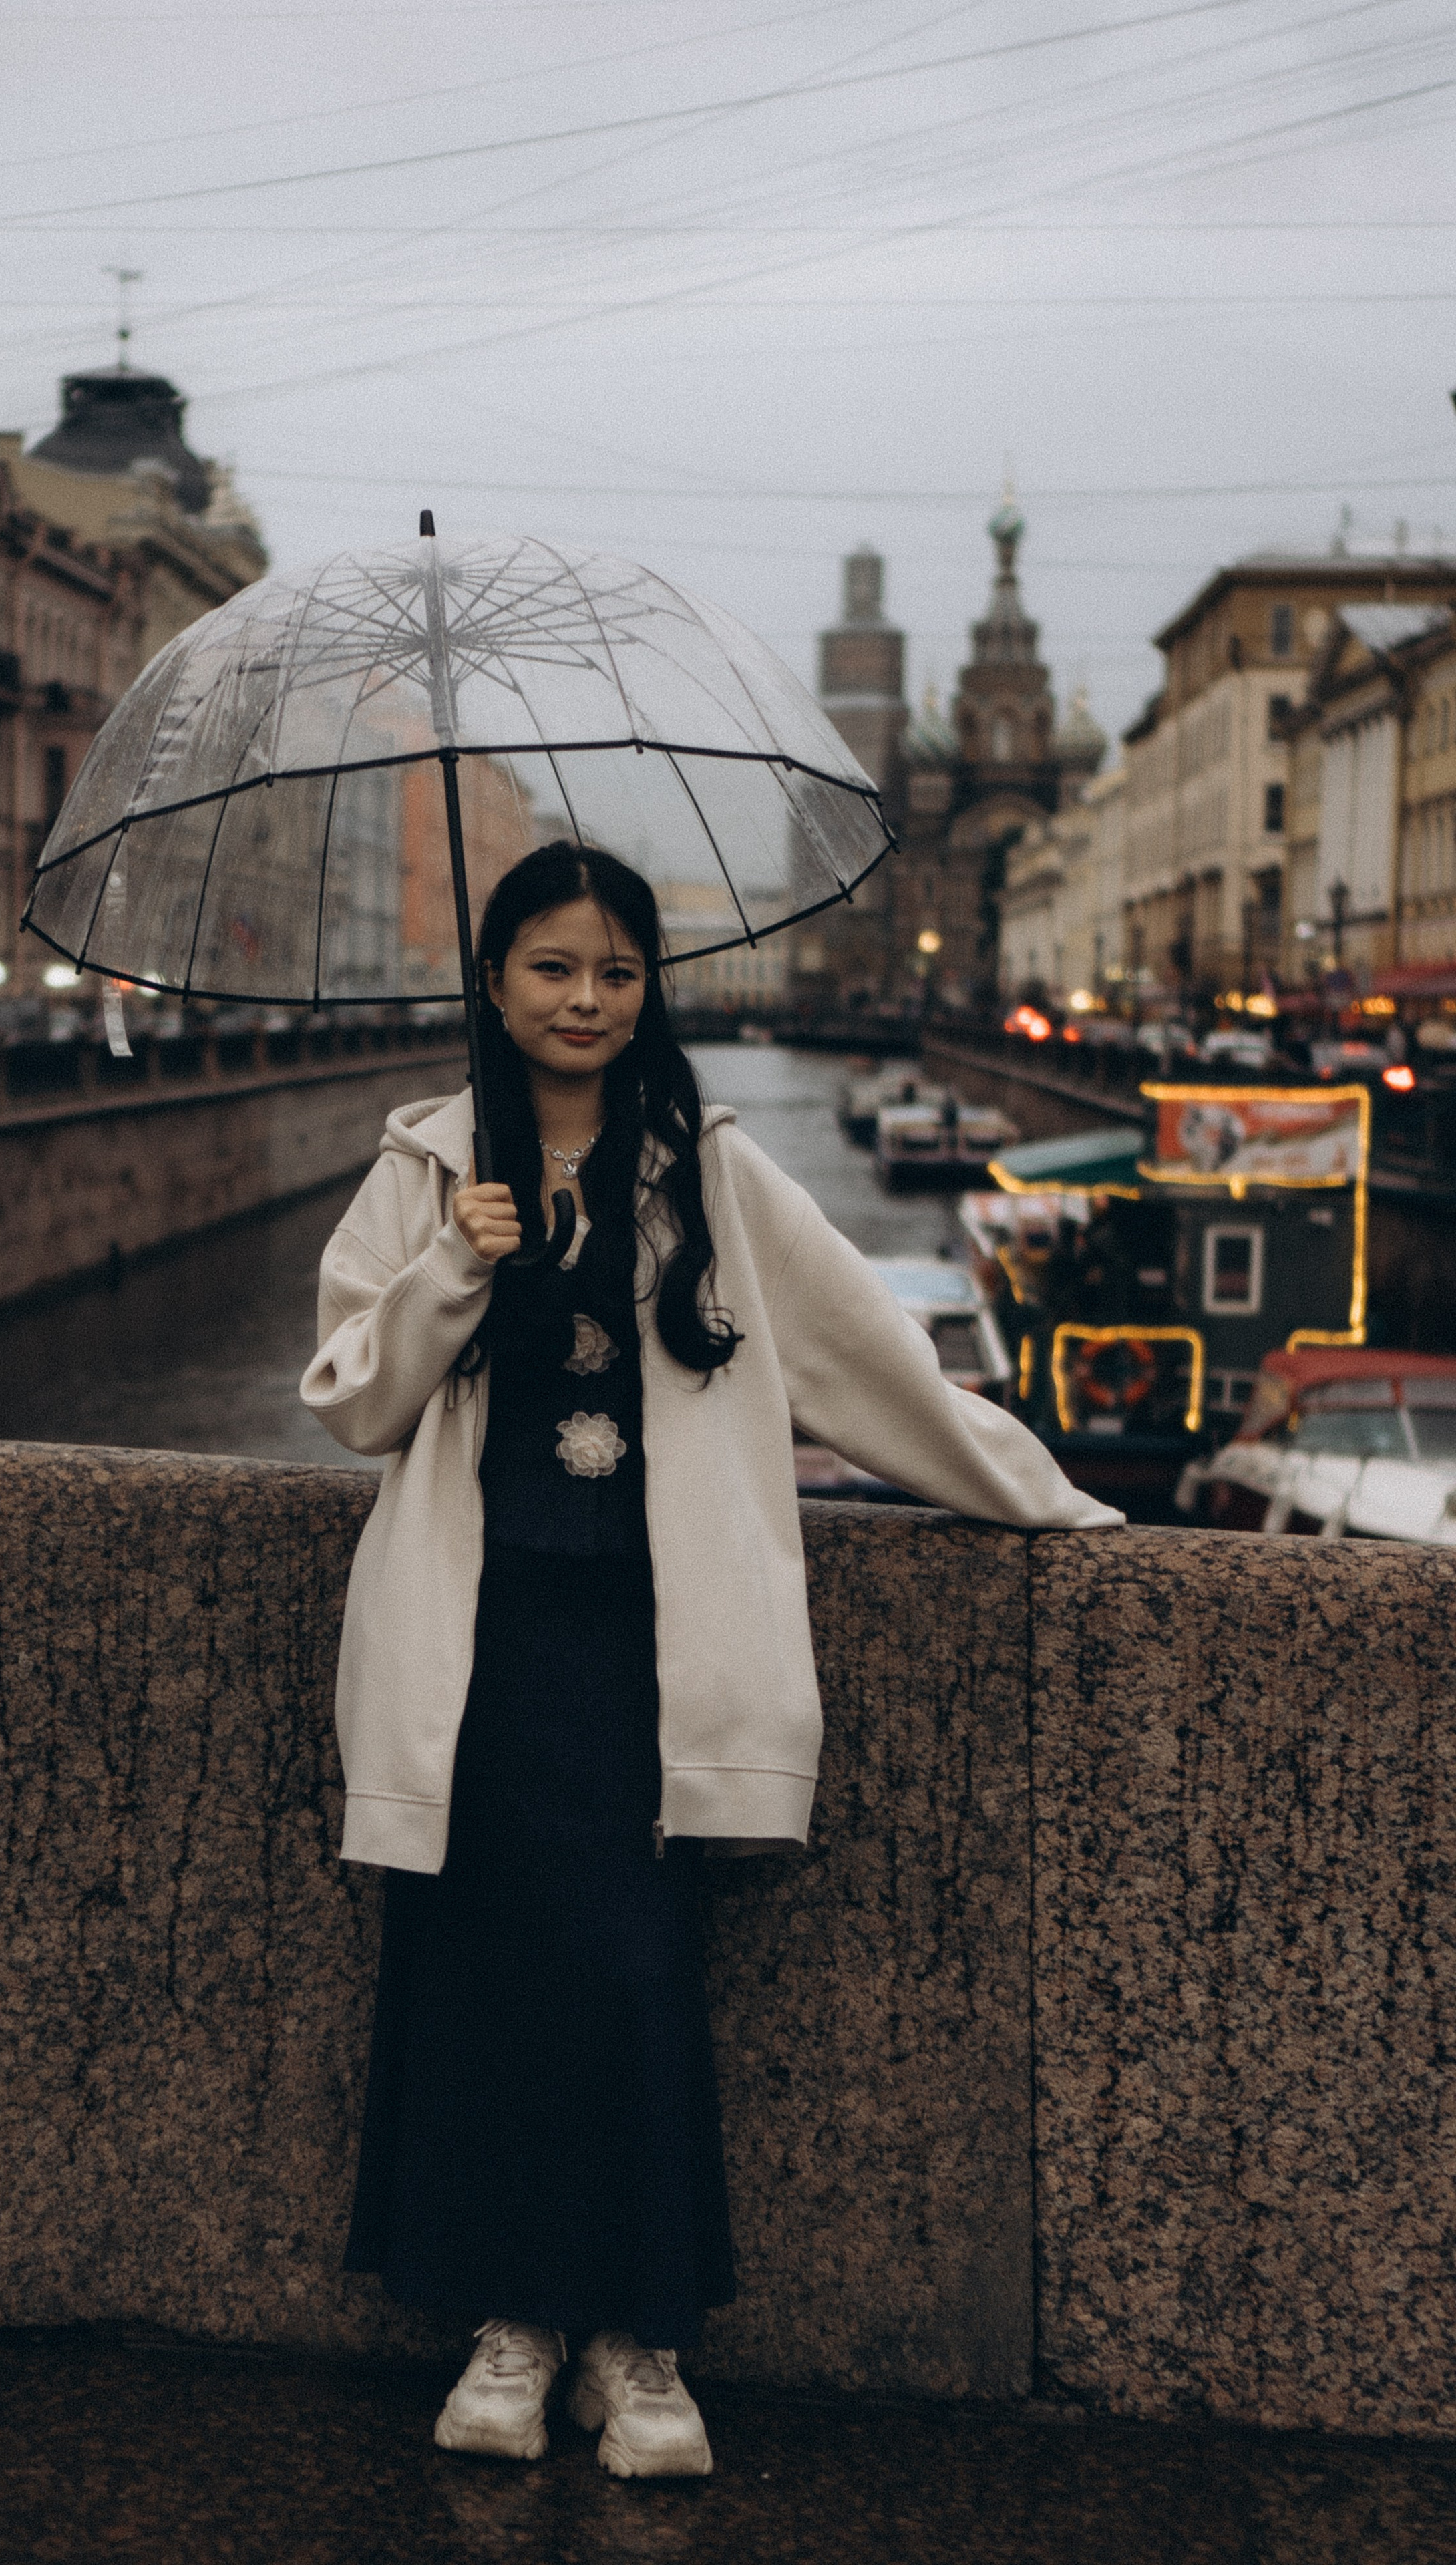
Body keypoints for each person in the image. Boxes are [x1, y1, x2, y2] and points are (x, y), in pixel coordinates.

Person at [301, 843, 1121, 2481]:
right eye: (550, 968)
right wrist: (454, 1263)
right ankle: (513, 2330)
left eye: (615, 971)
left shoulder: (714, 1171)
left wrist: (1056, 1501)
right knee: (482, 1978)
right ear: (492, 983)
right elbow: (349, 1404)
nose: (585, 999)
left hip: (650, 1650)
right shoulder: (425, 1165)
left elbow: (874, 1370)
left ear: (647, 989)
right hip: (476, 1644)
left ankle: (636, 2336)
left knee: (633, 1974)